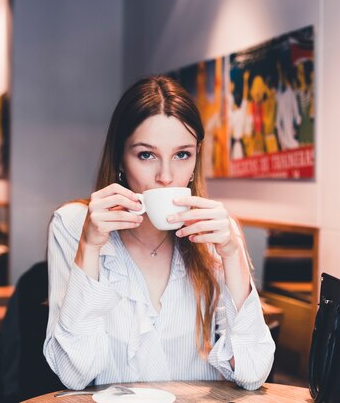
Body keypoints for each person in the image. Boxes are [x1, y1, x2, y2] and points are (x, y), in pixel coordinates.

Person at [43, 76, 275, 391]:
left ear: (195, 161)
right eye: (146, 155)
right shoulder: (74, 226)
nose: (166, 177)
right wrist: (90, 247)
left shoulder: (214, 232)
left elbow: (252, 372)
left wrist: (233, 255)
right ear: (121, 159)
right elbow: (74, 373)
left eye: (182, 155)